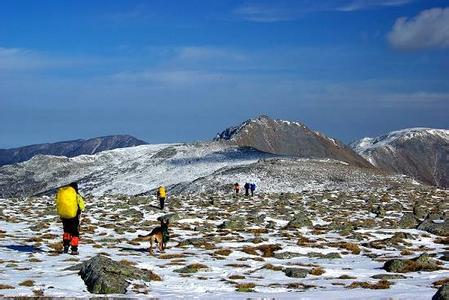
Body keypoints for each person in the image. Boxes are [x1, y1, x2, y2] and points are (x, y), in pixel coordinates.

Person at [55, 182, 85, 255]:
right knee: (75, 233)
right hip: (74, 216)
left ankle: (66, 245)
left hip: (64, 215)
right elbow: (82, 206)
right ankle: (74, 249)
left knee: (66, 230)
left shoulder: (63, 193)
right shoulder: (76, 194)